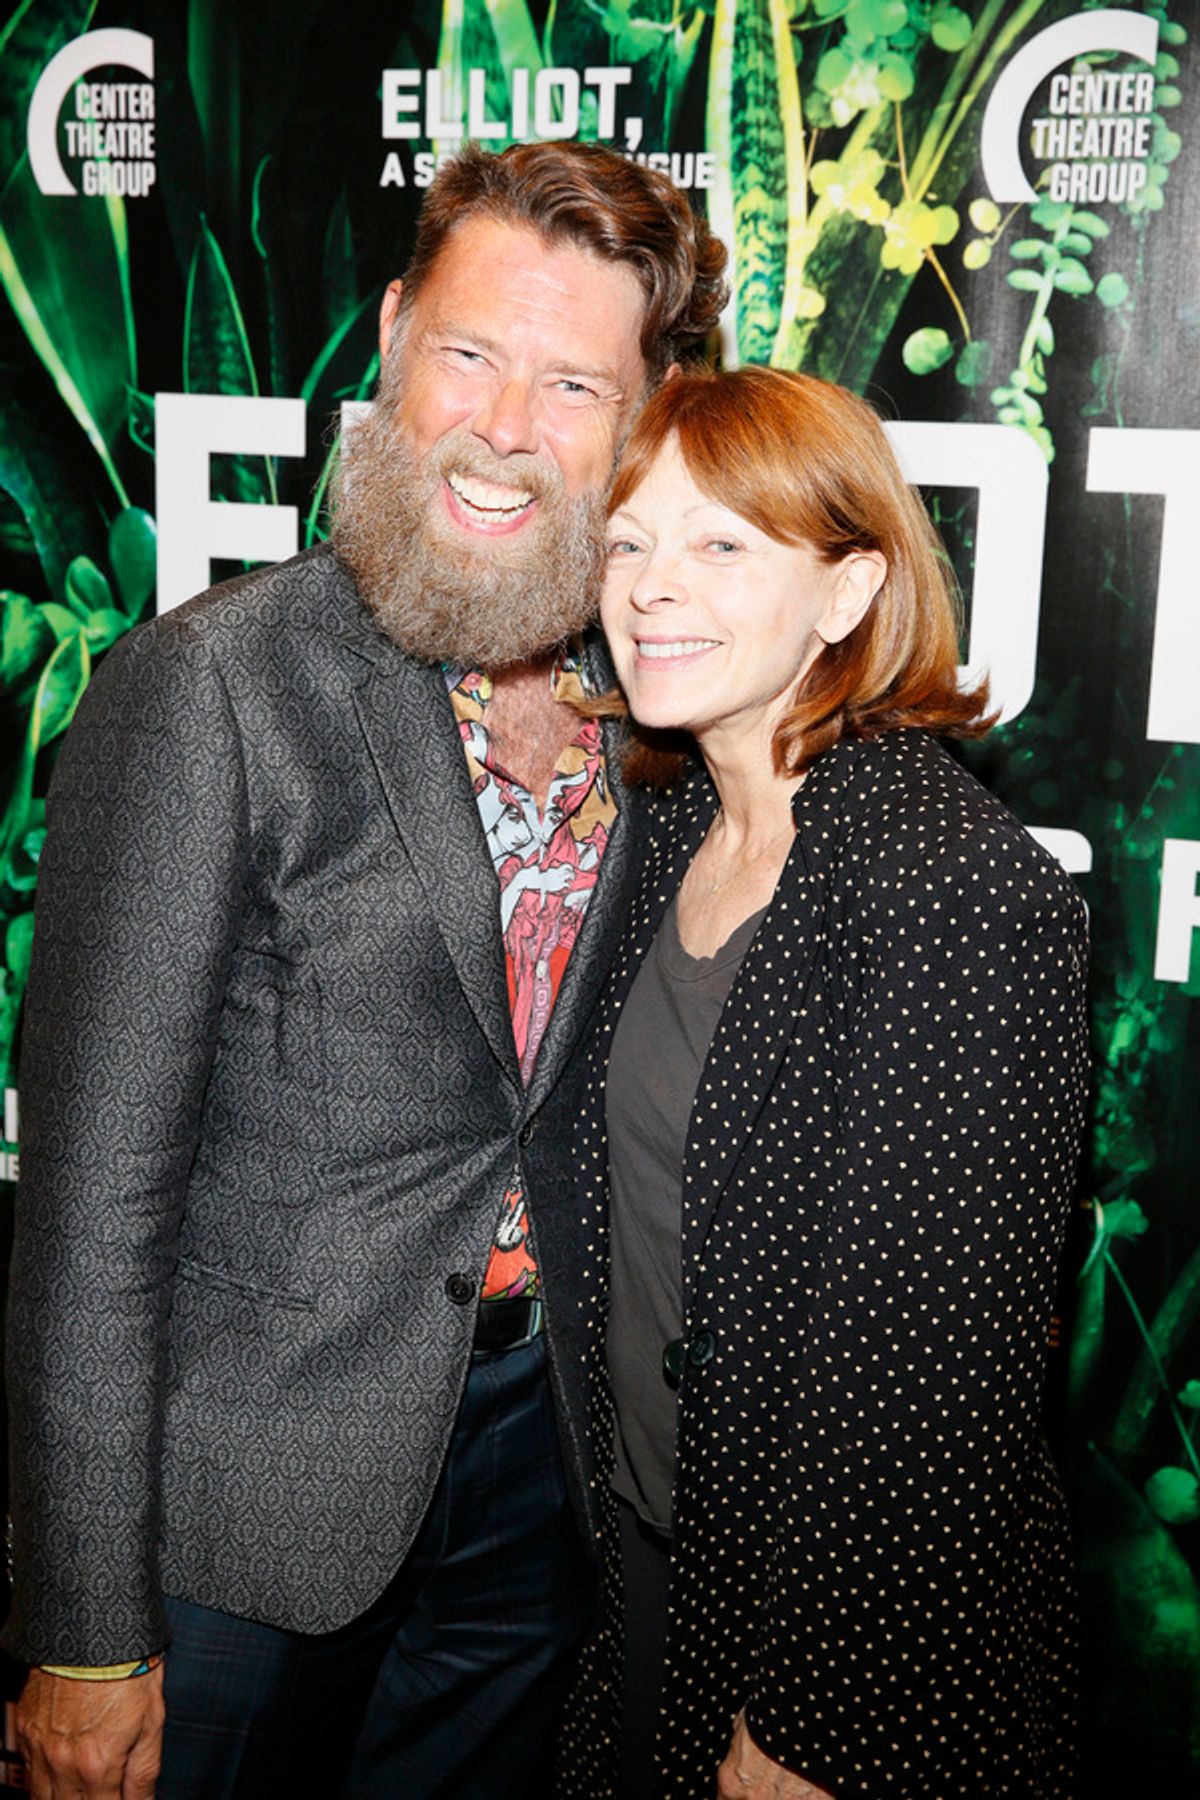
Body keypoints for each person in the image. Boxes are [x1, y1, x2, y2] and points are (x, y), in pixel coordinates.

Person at [3, 142, 726, 1800]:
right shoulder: (211, 689)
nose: (502, 425)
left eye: (572, 383)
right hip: (235, 1529)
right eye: (469, 351)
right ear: (395, 335)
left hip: (540, 1495)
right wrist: (85, 1627)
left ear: (648, 413)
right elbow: (92, 1205)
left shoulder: (668, 706)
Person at [555, 366, 1089, 1798]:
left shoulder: (958, 897)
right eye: (629, 543)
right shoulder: (669, 839)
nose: (653, 590)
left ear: (850, 591)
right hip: (645, 1576)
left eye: (723, 545)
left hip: (834, 1655)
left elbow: (937, 1380)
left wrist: (815, 1723)